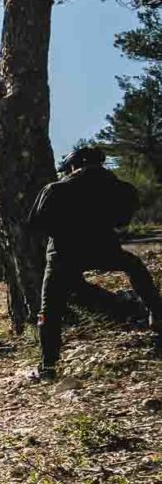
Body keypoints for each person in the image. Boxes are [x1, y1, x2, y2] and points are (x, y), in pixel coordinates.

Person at [32, 145, 162, 379]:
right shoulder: (121, 189)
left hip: (63, 254)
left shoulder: (55, 189)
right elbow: (122, 221)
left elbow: (37, 225)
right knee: (134, 265)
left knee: (50, 309)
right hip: (104, 249)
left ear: (72, 166)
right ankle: (155, 312)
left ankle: (48, 367)